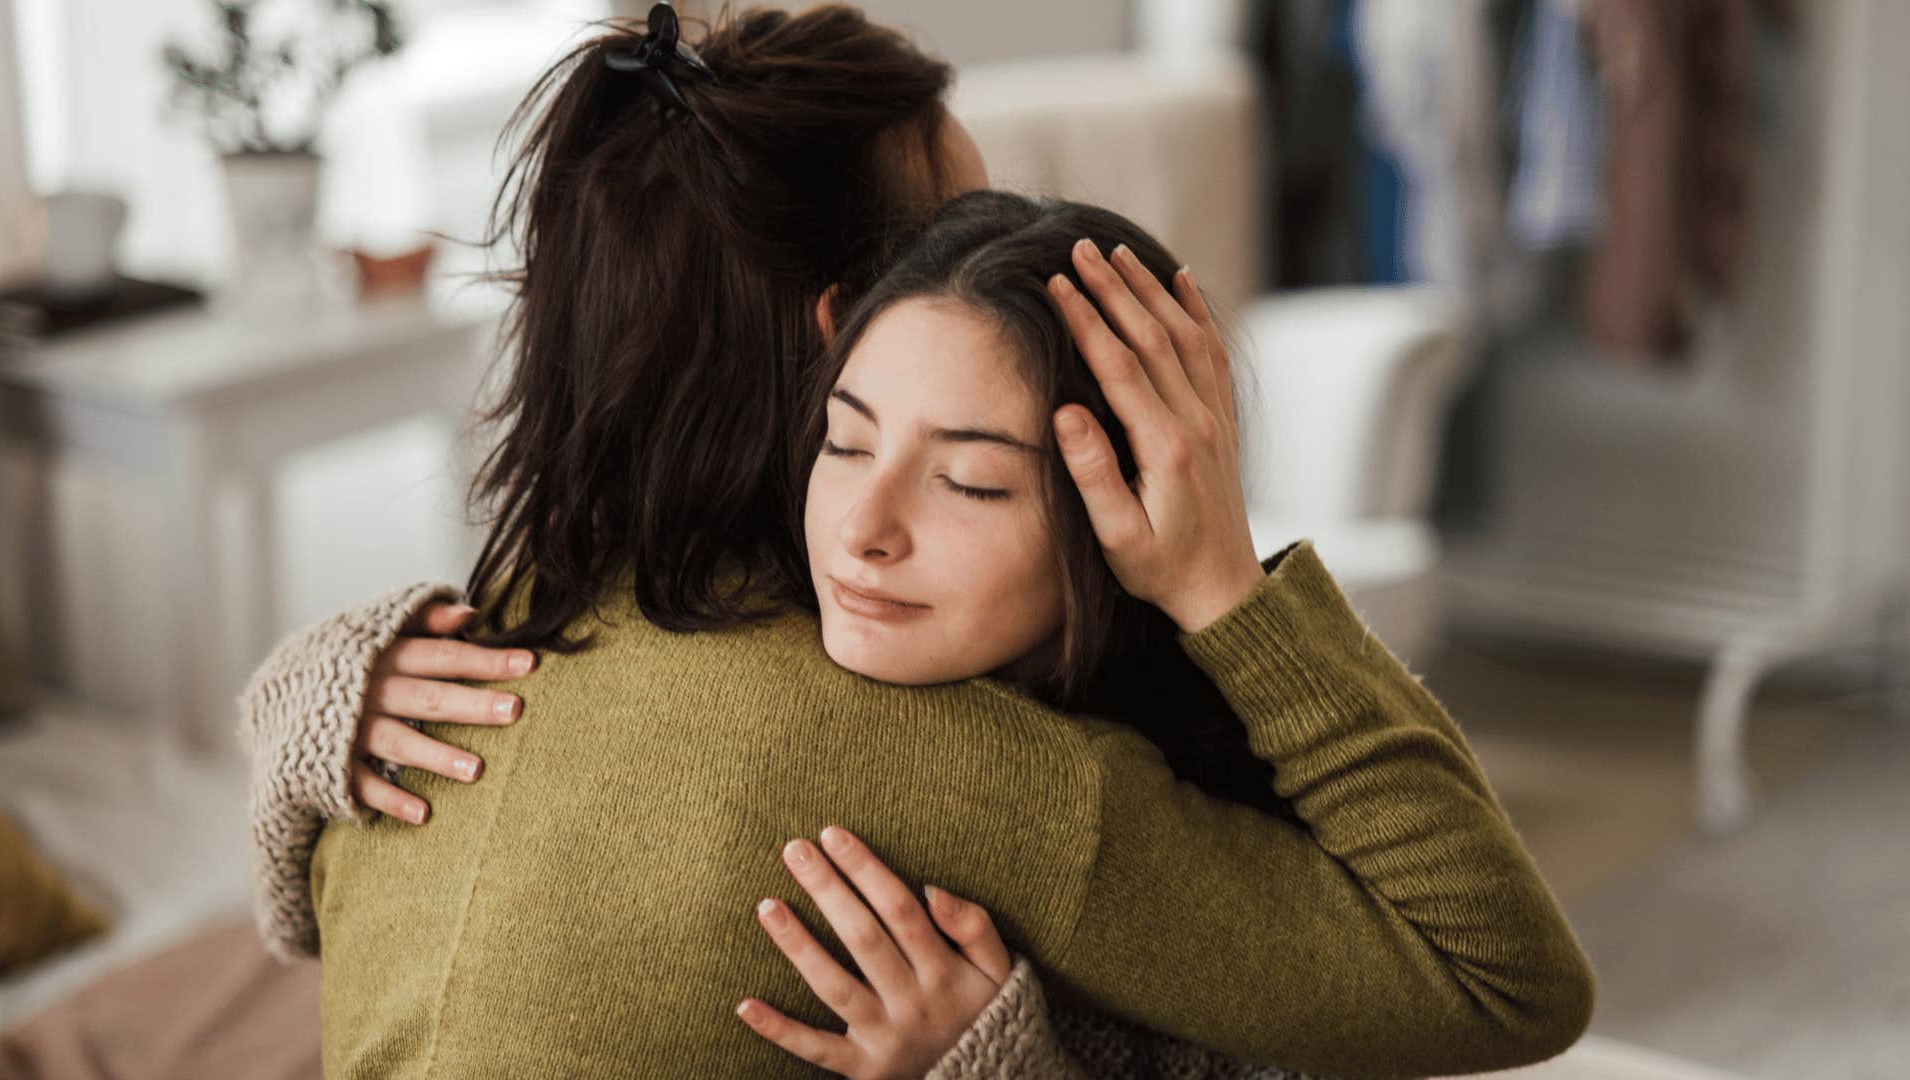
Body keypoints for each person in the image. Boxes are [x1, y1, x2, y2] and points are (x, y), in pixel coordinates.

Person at [239, 7, 1595, 1078]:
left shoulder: (457, 649)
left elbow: (296, 922)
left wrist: (283, 706)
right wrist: (1226, 590)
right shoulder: (957, 769)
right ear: (854, 327)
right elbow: (1503, 982)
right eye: (956, 228)